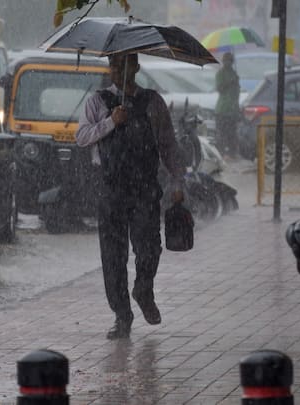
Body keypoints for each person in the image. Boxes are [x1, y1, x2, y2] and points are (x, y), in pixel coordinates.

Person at [76, 53, 186, 340]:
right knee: (113, 257)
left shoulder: (153, 102)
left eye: (123, 65)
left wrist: (177, 180)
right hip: (111, 189)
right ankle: (122, 316)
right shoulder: (97, 102)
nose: (116, 71)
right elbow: (82, 137)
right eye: (113, 65)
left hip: (145, 189)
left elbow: (168, 145)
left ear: (136, 67)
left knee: (149, 247)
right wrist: (111, 122)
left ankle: (143, 289)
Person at [214, 52, 241, 160]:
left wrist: (236, 81)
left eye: (229, 60)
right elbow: (220, 88)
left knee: (232, 134)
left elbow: (236, 92)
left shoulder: (234, 73)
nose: (227, 63)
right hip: (222, 110)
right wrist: (230, 82)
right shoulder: (220, 73)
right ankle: (220, 153)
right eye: (226, 60)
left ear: (232, 61)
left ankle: (232, 153)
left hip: (233, 110)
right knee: (222, 134)